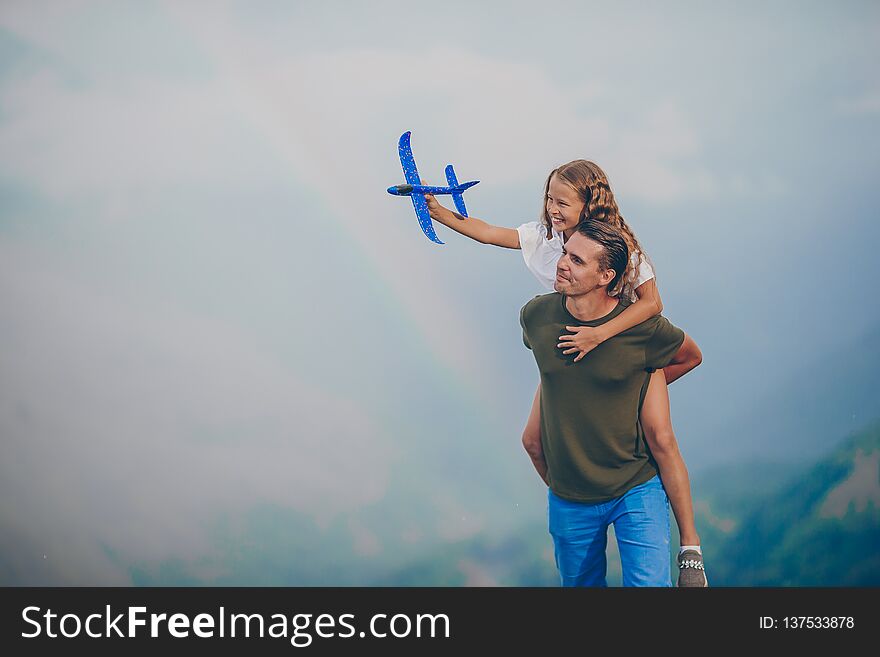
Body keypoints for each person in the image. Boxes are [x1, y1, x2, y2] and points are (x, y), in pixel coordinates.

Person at [425, 160, 707, 585]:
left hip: (624, 341)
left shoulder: (620, 250)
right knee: (531, 439)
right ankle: (571, 500)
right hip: (567, 351)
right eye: (549, 198)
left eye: (562, 201)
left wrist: (607, 345)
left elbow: (653, 304)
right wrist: (440, 213)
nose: (552, 208)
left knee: (659, 437)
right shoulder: (544, 252)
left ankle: (691, 551)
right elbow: (489, 232)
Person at [520, 219, 700, 586]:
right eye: (566, 254)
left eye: (578, 261)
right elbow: (550, 375)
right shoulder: (536, 317)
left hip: (636, 485)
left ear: (606, 276)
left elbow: (689, 356)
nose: (562, 264)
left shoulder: (642, 330)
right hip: (570, 497)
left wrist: (637, 384)